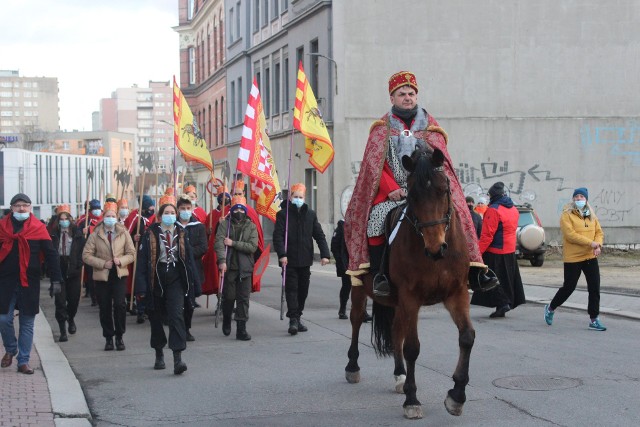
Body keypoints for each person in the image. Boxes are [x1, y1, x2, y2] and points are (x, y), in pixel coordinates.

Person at [344, 71, 498, 296]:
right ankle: (380, 275)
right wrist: (390, 189)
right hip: (394, 193)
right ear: (392, 98)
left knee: (463, 214)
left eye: (411, 93)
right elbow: (374, 167)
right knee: (376, 219)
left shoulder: (430, 128)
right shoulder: (381, 129)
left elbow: (441, 164)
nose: (407, 97)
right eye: (402, 94)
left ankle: (474, 270)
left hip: (426, 191)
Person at [135, 192, 200, 374]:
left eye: (173, 212)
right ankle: (158, 353)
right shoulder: (150, 235)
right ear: (159, 216)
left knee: (176, 316)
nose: (170, 215)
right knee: (156, 318)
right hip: (156, 278)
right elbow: (142, 263)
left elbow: (188, 261)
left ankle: (177, 357)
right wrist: (140, 288)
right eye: (167, 212)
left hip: (175, 279)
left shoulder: (181, 233)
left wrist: (195, 285)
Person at [0, 193, 62, 374]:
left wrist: (56, 279)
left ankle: (23, 361)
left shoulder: (38, 228)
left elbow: (51, 256)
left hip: (29, 282)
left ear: (30, 208)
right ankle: (11, 349)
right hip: (6, 282)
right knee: (3, 318)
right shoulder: (2, 227)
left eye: (25, 205)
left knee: (27, 323)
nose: (21, 209)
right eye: (18, 205)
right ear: (11, 208)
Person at [544, 187, 606, 331]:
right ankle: (551, 308)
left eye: (581, 197)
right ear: (573, 199)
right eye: (576, 197)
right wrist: (590, 243)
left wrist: (598, 246)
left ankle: (594, 319)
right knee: (569, 287)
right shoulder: (567, 214)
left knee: (594, 287)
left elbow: (599, 232)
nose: (579, 199)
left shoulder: (591, 215)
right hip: (573, 257)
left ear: (586, 199)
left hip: (590, 256)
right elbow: (570, 235)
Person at [273, 183, 331, 335]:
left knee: (302, 291)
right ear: (290, 197)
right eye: (295, 196)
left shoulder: (310, 214)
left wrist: (325, 254)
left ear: (305, 198)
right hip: (289, 260)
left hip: (305, 260)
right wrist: (282, 255)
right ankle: (293, 319)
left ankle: (298, 316)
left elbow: (319, 234)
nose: (298, 199)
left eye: (300, 197)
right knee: (291, 289)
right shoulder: (283, 215)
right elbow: (278, 237)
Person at [82, 201, 135, 351]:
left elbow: (131, 253)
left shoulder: (123, 233)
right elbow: (86, 256)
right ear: (103, 217)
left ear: (117, 217)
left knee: (119, 304)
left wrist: (121, 261)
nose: (110, 218)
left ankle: (119, 336)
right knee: (104, 307)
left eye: (113, 216)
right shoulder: (95, 234)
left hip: (119, 274)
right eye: (108, 216)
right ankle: (108, 337)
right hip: (102, 275)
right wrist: (102, 263)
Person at [471, 182, 525, 317]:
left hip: (496, 251)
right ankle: (504, 304)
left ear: (494, 196)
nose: (488, 198)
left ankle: (503, 303)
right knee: (507, 280)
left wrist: (477, 253)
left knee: (490, 279)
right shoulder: (513, 209)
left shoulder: (493, 210)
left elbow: (487, 235)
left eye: (489, 195)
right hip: (510, 250)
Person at [215, 195, 258, 340]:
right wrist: (222, 260)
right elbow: (219, 243)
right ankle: (227, 318)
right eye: (236, 208)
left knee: (243, 299)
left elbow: (252, 246)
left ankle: (241, 328)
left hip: (245, 268)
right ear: (231, 209)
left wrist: (233, 243)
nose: (238, 211)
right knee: (229, 297)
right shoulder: (224, 224)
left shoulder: (251, 226)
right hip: (229, 267)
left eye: (241, 208)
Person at [49, 204, 84, 342]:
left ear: (70, 219)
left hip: (73, 268)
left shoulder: (77, 233)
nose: (64, 221)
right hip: (59, 269)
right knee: (60, 301)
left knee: (74, 299)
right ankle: (62, 329)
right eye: (61, 218)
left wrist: (78, 265)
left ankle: (71, 317)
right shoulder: (53, 233)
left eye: (66, 218)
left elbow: (83, 250)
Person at [176, 194, 207, 341]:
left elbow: (203, 247)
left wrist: (186, 253)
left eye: (188, 208)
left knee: (189, 303)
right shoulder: (173, 226)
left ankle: (187, 328)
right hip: (176, 269)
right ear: (178, 210)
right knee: (177, 302)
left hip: (193, 268)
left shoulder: (199, 226)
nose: (185, 211)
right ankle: (178, 328)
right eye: (183, 208)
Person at [331, 220, 372, 321]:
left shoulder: (363, 226)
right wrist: (340, 262)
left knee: (362, 286)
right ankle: (342, 309)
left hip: (359, 262)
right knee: (346, 286)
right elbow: (334, 246)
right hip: (346, 263)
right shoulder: (342, 227)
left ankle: (363, 312)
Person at [124, 194, 154, 322]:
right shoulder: (135, 216)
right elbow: (125, 234)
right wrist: (133, 238)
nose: (152, 209)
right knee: (140, 282)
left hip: (151, 253)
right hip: (138, 253)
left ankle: (149, 308)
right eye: (150, 207)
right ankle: (140, 310)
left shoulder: (153, 217)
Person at [77, 198, 103, 306]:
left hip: (102, 252)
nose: (97, 211)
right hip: (90, 252)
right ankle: (94, 297)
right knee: (92, 276)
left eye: (98, 208)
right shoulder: (84, 220)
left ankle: (102, 296)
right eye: (94, 209)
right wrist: (81, 232)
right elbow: (76, 232)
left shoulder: (104, 219)